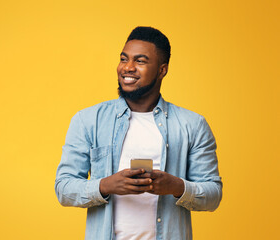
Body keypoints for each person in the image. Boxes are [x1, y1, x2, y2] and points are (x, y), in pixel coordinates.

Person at [54, 26, 222, 240]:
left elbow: (213, 195)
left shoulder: (193, 125)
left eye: (140, 61)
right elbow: (64, 188)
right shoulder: (88, 120)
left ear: (162, 70)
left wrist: (176, 186)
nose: (128, 67)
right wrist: (106, 185)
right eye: (124, 59)